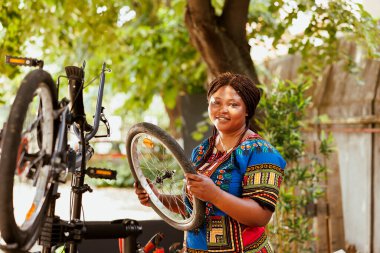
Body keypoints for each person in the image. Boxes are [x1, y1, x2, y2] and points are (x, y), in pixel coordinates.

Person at [135, 72, 286, 252]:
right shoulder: (201, 152)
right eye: (216, 102)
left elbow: (261, 216)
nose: (222, 109)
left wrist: (215, 195)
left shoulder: (261, 152)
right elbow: (195, 210)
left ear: (247, 110)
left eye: (233, 104)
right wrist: (157, 198)